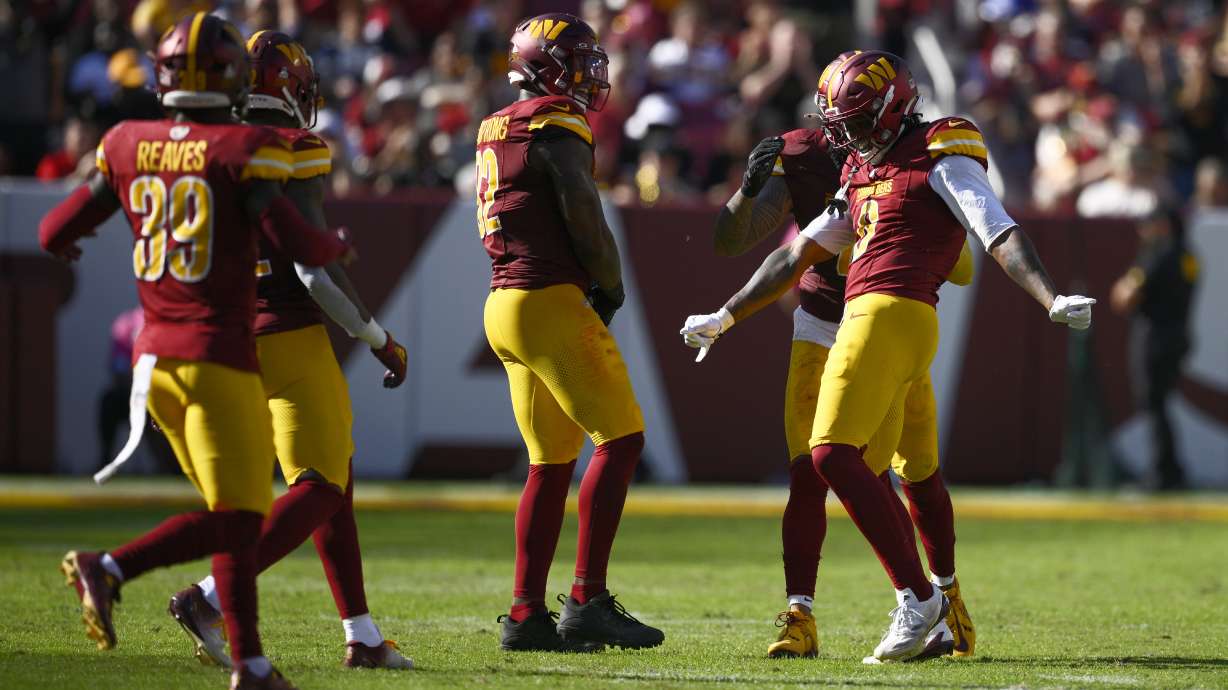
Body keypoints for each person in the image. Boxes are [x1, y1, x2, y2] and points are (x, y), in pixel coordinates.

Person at [681, 50, 1094, 662]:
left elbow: (996, 229)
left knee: (830, 454)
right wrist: (728, 312)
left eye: (853, 119)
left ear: (889, 107)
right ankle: (940, 606)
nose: (843, 133)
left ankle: (919, 597)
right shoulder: (859, 171)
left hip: (889, 312)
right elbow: (796, 255)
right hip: (879, 322)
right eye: (837, 121)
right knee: (903, 467)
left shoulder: (940, 150)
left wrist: (1048, 295)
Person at [39, 13, 351, 690]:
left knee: (233, 515)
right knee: (239, 517)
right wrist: (335, 246)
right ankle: (111, 567)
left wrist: (66, 240)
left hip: (152, 366)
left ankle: (251, 667)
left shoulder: (125, 141)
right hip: (216, 357)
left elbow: (53, 228)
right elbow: (298, 241)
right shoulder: (242, 148)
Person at [165, 31, 412, 672]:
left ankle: (362, 633)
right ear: (291, 92)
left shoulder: (213, 149)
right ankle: (211, 597)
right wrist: (378, 339)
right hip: (290, 336)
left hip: (227, 335)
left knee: (336, 483)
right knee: (321, 483)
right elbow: (314, 273)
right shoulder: (294, 146)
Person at [712, 118, 976, 660]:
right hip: (822, 322)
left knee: (912, 470)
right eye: (842, 121)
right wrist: (748, 189)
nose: (851, 131)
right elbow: (733, 241)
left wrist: (892, 236)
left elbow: (964, 265)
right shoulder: (807, 153)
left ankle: (945, 604)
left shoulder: (915, 156)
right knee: (813, 467)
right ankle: (800, 615)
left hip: (890, 324)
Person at [479, 13, 663, 652]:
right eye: (578, 63)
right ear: (546, 66)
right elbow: (582, 208)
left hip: (505, 302)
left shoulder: (495, 124)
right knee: (622, 440)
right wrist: (609, 284)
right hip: (548, 297)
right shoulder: (553, 120)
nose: (589, 77)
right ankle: (587, 599)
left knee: (549, 463)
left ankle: (526, 614)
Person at [1111, 207, 1199, 490]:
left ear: (1161, 225)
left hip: (1154, 336)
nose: (1142, 231)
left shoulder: (1156, 255)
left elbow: (1126, 296)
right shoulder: (1188, 256)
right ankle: (1171, 468)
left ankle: (1163, 472)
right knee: (1161, 402)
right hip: (1180, 334)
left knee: (1152, 403)